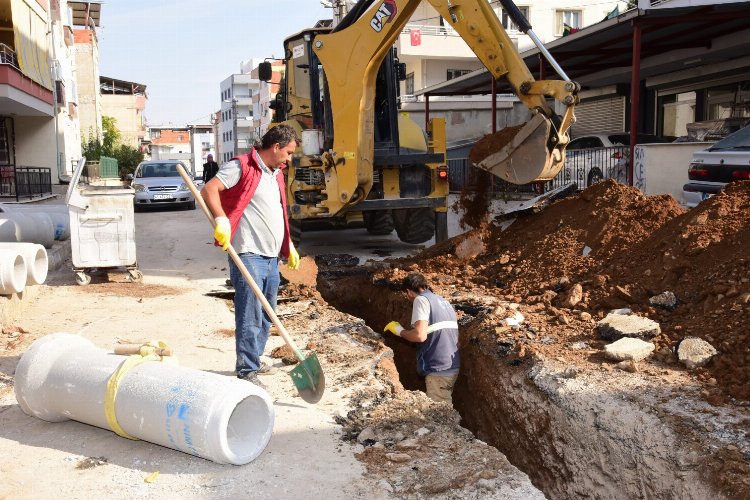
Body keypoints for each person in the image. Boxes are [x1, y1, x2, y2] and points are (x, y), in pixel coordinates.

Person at [201, 125, 300, 386]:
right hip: (248, 253)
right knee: (250, 313)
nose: (289, 159)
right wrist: (221, 220)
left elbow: (277, 211)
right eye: (288, 153)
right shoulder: (242, 166)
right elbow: (209, 189)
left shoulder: (275, 173)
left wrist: (287, 244)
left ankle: (254, 358)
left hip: (270, 256)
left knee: (267, 313)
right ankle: (246, 369)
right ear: (276, 147)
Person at [384, 272, 460, 404]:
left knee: (439, 412)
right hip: (452, 365)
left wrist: (399, 331)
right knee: (444, 404)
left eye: (407, 294)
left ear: (409, 291)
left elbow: (419, 335)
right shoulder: (443, 301)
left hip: (438, 367)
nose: (408, 298)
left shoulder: (421, 300)